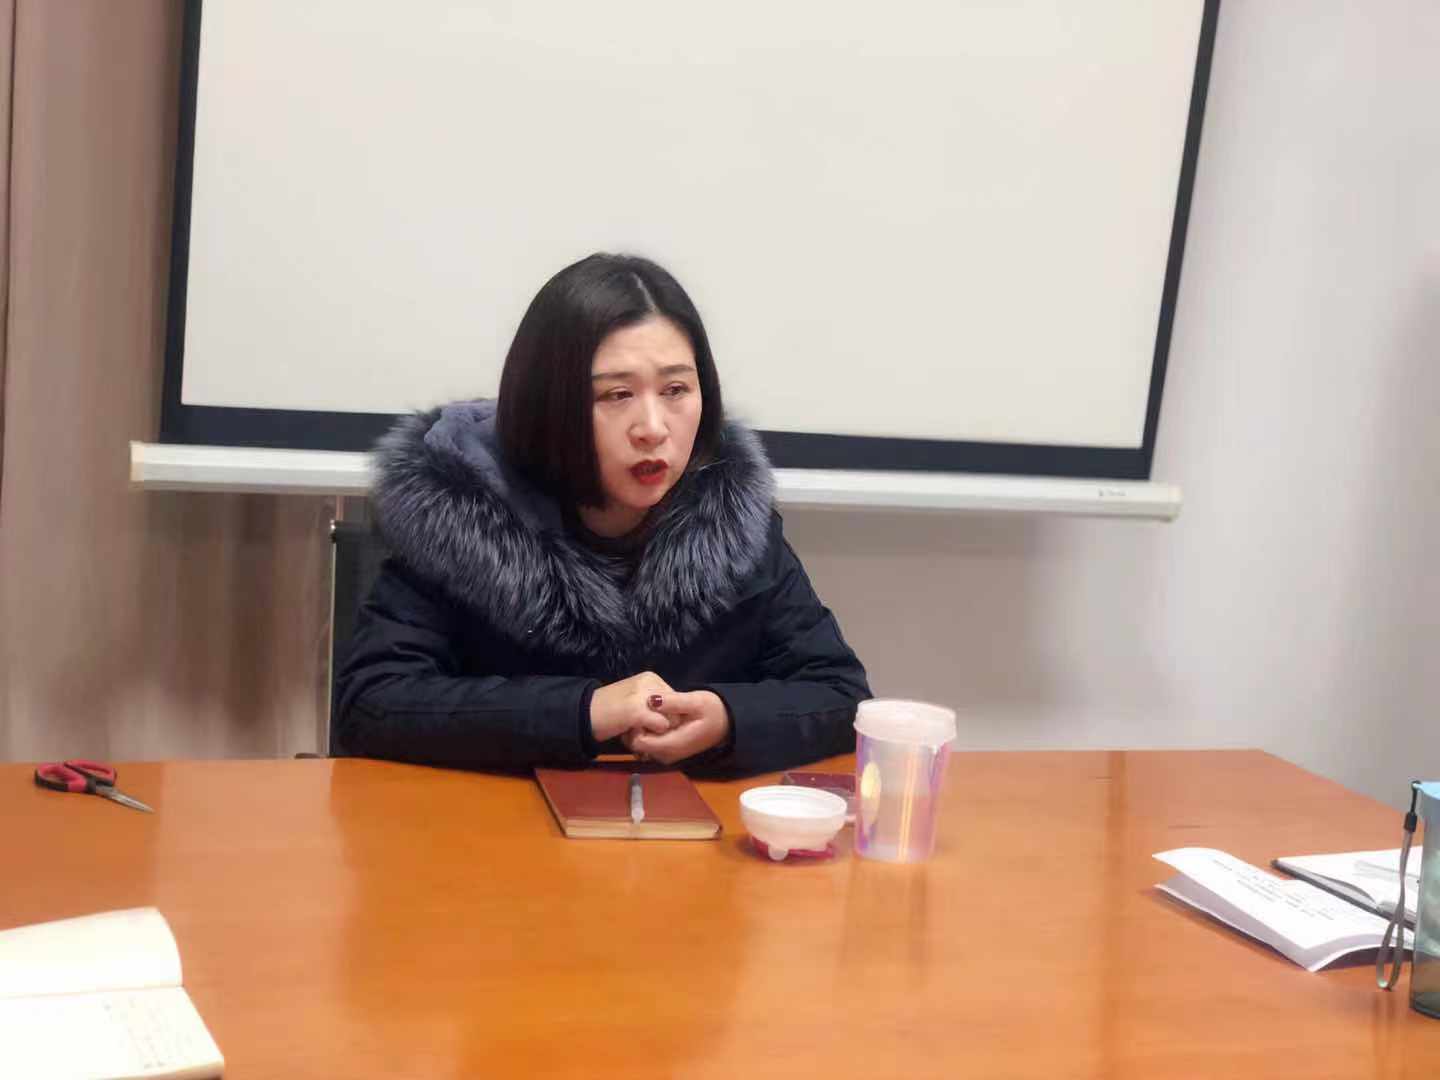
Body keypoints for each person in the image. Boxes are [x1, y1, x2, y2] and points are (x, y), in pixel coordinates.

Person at [334, 253, 870, 775]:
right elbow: (373, 703)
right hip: (495, 823)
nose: (653, 428)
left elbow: (840, 694)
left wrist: (729, 719)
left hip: (681, 828)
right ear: (548, 403)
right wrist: (585, 711)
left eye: (676, 389)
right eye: (616, 395)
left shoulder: (728, 514)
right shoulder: (461, 512)